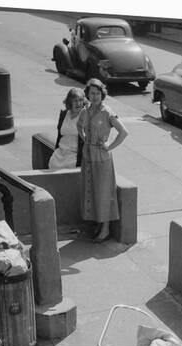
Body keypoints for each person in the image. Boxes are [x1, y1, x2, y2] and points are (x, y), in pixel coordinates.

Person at [77, 78, 128, 243]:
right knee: (91, 191)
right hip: (88, 157)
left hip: (102, 158)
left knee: (103, 193)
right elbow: (79, 126)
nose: (95, 96)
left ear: (102, 94)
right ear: (87, 94)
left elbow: (123, 132)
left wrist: (109, 146)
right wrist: (85, 139)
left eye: (97, 93)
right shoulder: (85, 111)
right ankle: (98, 224)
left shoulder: (107, 112)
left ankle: (105, 229)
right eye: (91, 93)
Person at [48, 88, 86, 169]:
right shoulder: (64, 114)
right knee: (52, 164)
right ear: (70, 102)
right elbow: (59, 135)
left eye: (80, 100)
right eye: (75, 100)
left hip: (74, 156)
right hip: (60, 153)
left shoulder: (85, 116)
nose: (78, 103)